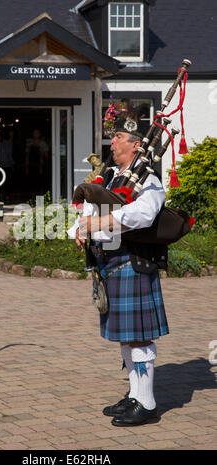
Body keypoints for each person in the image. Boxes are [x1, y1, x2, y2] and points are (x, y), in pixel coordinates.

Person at [69, 115, 169, 427]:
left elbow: (144, 213)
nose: (112, 142)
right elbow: (92, 204)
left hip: (133, 262)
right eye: (112, 137)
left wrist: (100, 223)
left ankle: (148, 403)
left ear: (137, 145)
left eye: (118, 138)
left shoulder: (147, 178)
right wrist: (80, 226)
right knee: (127, 337)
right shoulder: (113, 178)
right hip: (111, 262)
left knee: (139, 337)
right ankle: (136, 394)